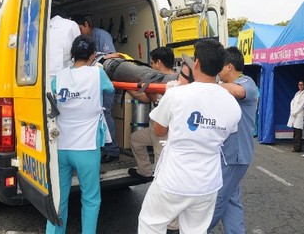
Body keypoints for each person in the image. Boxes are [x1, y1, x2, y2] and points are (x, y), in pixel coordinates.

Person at [138, 39, 242, 234]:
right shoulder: (231, 104)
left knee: (150, 224)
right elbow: (225, 134)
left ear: (196, 63)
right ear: (220, 67)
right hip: (207, 181)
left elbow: (159, 131)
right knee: (195, 231)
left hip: (174, 177)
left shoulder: (177, 94)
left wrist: (167, 100)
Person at [46, 35, 114, 234]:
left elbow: (51, 98)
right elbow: (109, 89)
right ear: (93, 55)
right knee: (91, 199)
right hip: (86, 147)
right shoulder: (97, 74)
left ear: (72, 54)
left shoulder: (58, 77)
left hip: (61, 146)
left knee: (59, 198)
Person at [208, 46, 259, 234]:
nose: (216, 71)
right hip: (230, 155)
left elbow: (238, 92)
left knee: (218, 198)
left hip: (235, 155)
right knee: (231, 201)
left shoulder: (247, 82)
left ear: (229, 66)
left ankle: (198, 229)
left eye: (219, 66)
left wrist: (209, 86)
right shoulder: (227, 88)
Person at [73, 14, 120, 163]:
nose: (79, 32)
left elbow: (112, 56)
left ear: (86, 24)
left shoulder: (101, 35)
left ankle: (112, 151)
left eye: (80, 28)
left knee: (105, 114)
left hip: (102, 80)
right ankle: (100, 148)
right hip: (90, 82)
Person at [128, 47, 178, 180]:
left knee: (160, 161)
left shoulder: (173, 82)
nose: (150, 66)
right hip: (153, 128)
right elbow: (145, 98)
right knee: (135, 139)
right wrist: (128, 87)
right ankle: (145, 171)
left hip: (163, 129)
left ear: (159, 63)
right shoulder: (157, 79)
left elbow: (154, 99)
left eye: (152, 63)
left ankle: (159, 185)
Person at [48, 13, 81, 77]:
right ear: (69, 18)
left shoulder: (45, 25)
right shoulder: (71, 24)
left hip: (44, 75)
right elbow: (79, 48)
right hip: (63, 75)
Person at [287, 80, 304, 152]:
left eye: (302, 85)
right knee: (295, 131)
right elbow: (292, 102)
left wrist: (295, 112)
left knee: (298, 131)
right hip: (294, 113)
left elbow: (302, 105)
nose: (300, 86)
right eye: (299, 84)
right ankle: (295, 146)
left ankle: (298, 147)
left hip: (299, 114)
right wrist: (292, 111)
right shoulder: (297, 93)